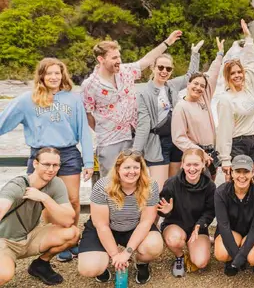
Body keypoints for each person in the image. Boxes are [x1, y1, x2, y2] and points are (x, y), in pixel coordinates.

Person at [0, 58, 93, 261]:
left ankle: (71, 239)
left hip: (68, 154)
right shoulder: (28, 99)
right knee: (39, 200)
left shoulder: (73, 99)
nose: (53, 77)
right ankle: (53, 239)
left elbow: (84, 130)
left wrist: (88, 161)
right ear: (41, 75)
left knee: (73, 199)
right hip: (40, 155)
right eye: (49, 73)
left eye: (57, 73)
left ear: (63, 75)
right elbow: (4, 121)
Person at [82, 30, 182, 179]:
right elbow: (87, 114)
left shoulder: (125, 71)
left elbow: (147, 60)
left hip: (135, 137)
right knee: (111, 182)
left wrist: (167, 42)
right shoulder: (89, 85)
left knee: (135, 180)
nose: (119, 61)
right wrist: (105, 128)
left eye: (119, 56)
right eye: (114, 57)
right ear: (101, 59)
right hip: (110, 140)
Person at [77, 150, 163, 285]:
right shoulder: (102, 186)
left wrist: (127, 253)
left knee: (153, 246)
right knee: (89, 268)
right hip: (107, 227)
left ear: (141, 169)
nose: (132, 171)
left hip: (134, 225)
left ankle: (141, 263)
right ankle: (102, 267)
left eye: (136, 167)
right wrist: (115, 255)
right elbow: (101, 225)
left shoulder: (151, 186)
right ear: (118, 169)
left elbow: (146, 222)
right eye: (127, 167)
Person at [132, 39, 206, 190]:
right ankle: (154, 214)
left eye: (168, 68)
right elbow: (143, 125)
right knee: (159, 189)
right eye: (160, 67)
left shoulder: (171, 86)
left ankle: (171, 214)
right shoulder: (144, 94)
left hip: (176, 140)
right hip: (157, 142)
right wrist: (136, 153)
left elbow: (190, 76)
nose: (164, 71)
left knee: (174, 186)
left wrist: (195, 54)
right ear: (152, 68)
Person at [0, 148, 79, 286]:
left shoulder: (56, 183)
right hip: (5, 242)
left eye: (55, 165)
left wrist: (44, 198)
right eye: (46, 164)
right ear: (35, 164)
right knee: (5, 274)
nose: (51, 169)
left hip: (29, 238)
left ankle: (40, 265)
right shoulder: (17, 185)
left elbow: (68, 220)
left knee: (73, 233)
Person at [217, 20, 254, 181]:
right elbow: (224, 130)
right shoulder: (226, 99)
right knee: (237, 182)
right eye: (232, 73)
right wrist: (225, 159)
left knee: (250, 181)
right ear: (227, 77)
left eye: (239, 72)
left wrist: (248, 37)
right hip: (238, 143)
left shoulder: (248, 87)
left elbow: (251, 61)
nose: (237, 75)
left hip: (253, 142)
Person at [172, 38, 225, 181]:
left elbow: (213, 73)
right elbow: (178, 138)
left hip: (210, 153)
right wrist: (199, 153)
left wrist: (220, 54)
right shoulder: (181, 107)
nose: (198, 88)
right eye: (195, 84)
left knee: (210, 187)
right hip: (195, 155)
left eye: (202, 85)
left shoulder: (204, 98)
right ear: (188, 84)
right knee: (196, 187)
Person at [158, 148, 216, 277]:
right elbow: (161, 209)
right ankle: (180, 257)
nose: (192, 168)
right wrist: (166, 212)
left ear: (202, 165)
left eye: (196, 164)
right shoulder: (171, 183)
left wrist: (199, 225)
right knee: (174, 240)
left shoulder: (210, 186)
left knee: (201, 262)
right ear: (182, 165)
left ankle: (202, 242)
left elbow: (210, 211)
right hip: (175, 225)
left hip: (197, 228)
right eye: (188, 164)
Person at [214, 155, 254, 276]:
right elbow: (223, 225)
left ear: (253, 172)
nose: (242, 176)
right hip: (232, 230)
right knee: (222, 254)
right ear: (232, 172)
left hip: (253, 232)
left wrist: (242, 256)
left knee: (253, 258)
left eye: (246, 171)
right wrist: (236, 257)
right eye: (238, 171)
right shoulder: (221, 192)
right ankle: (230, 260)